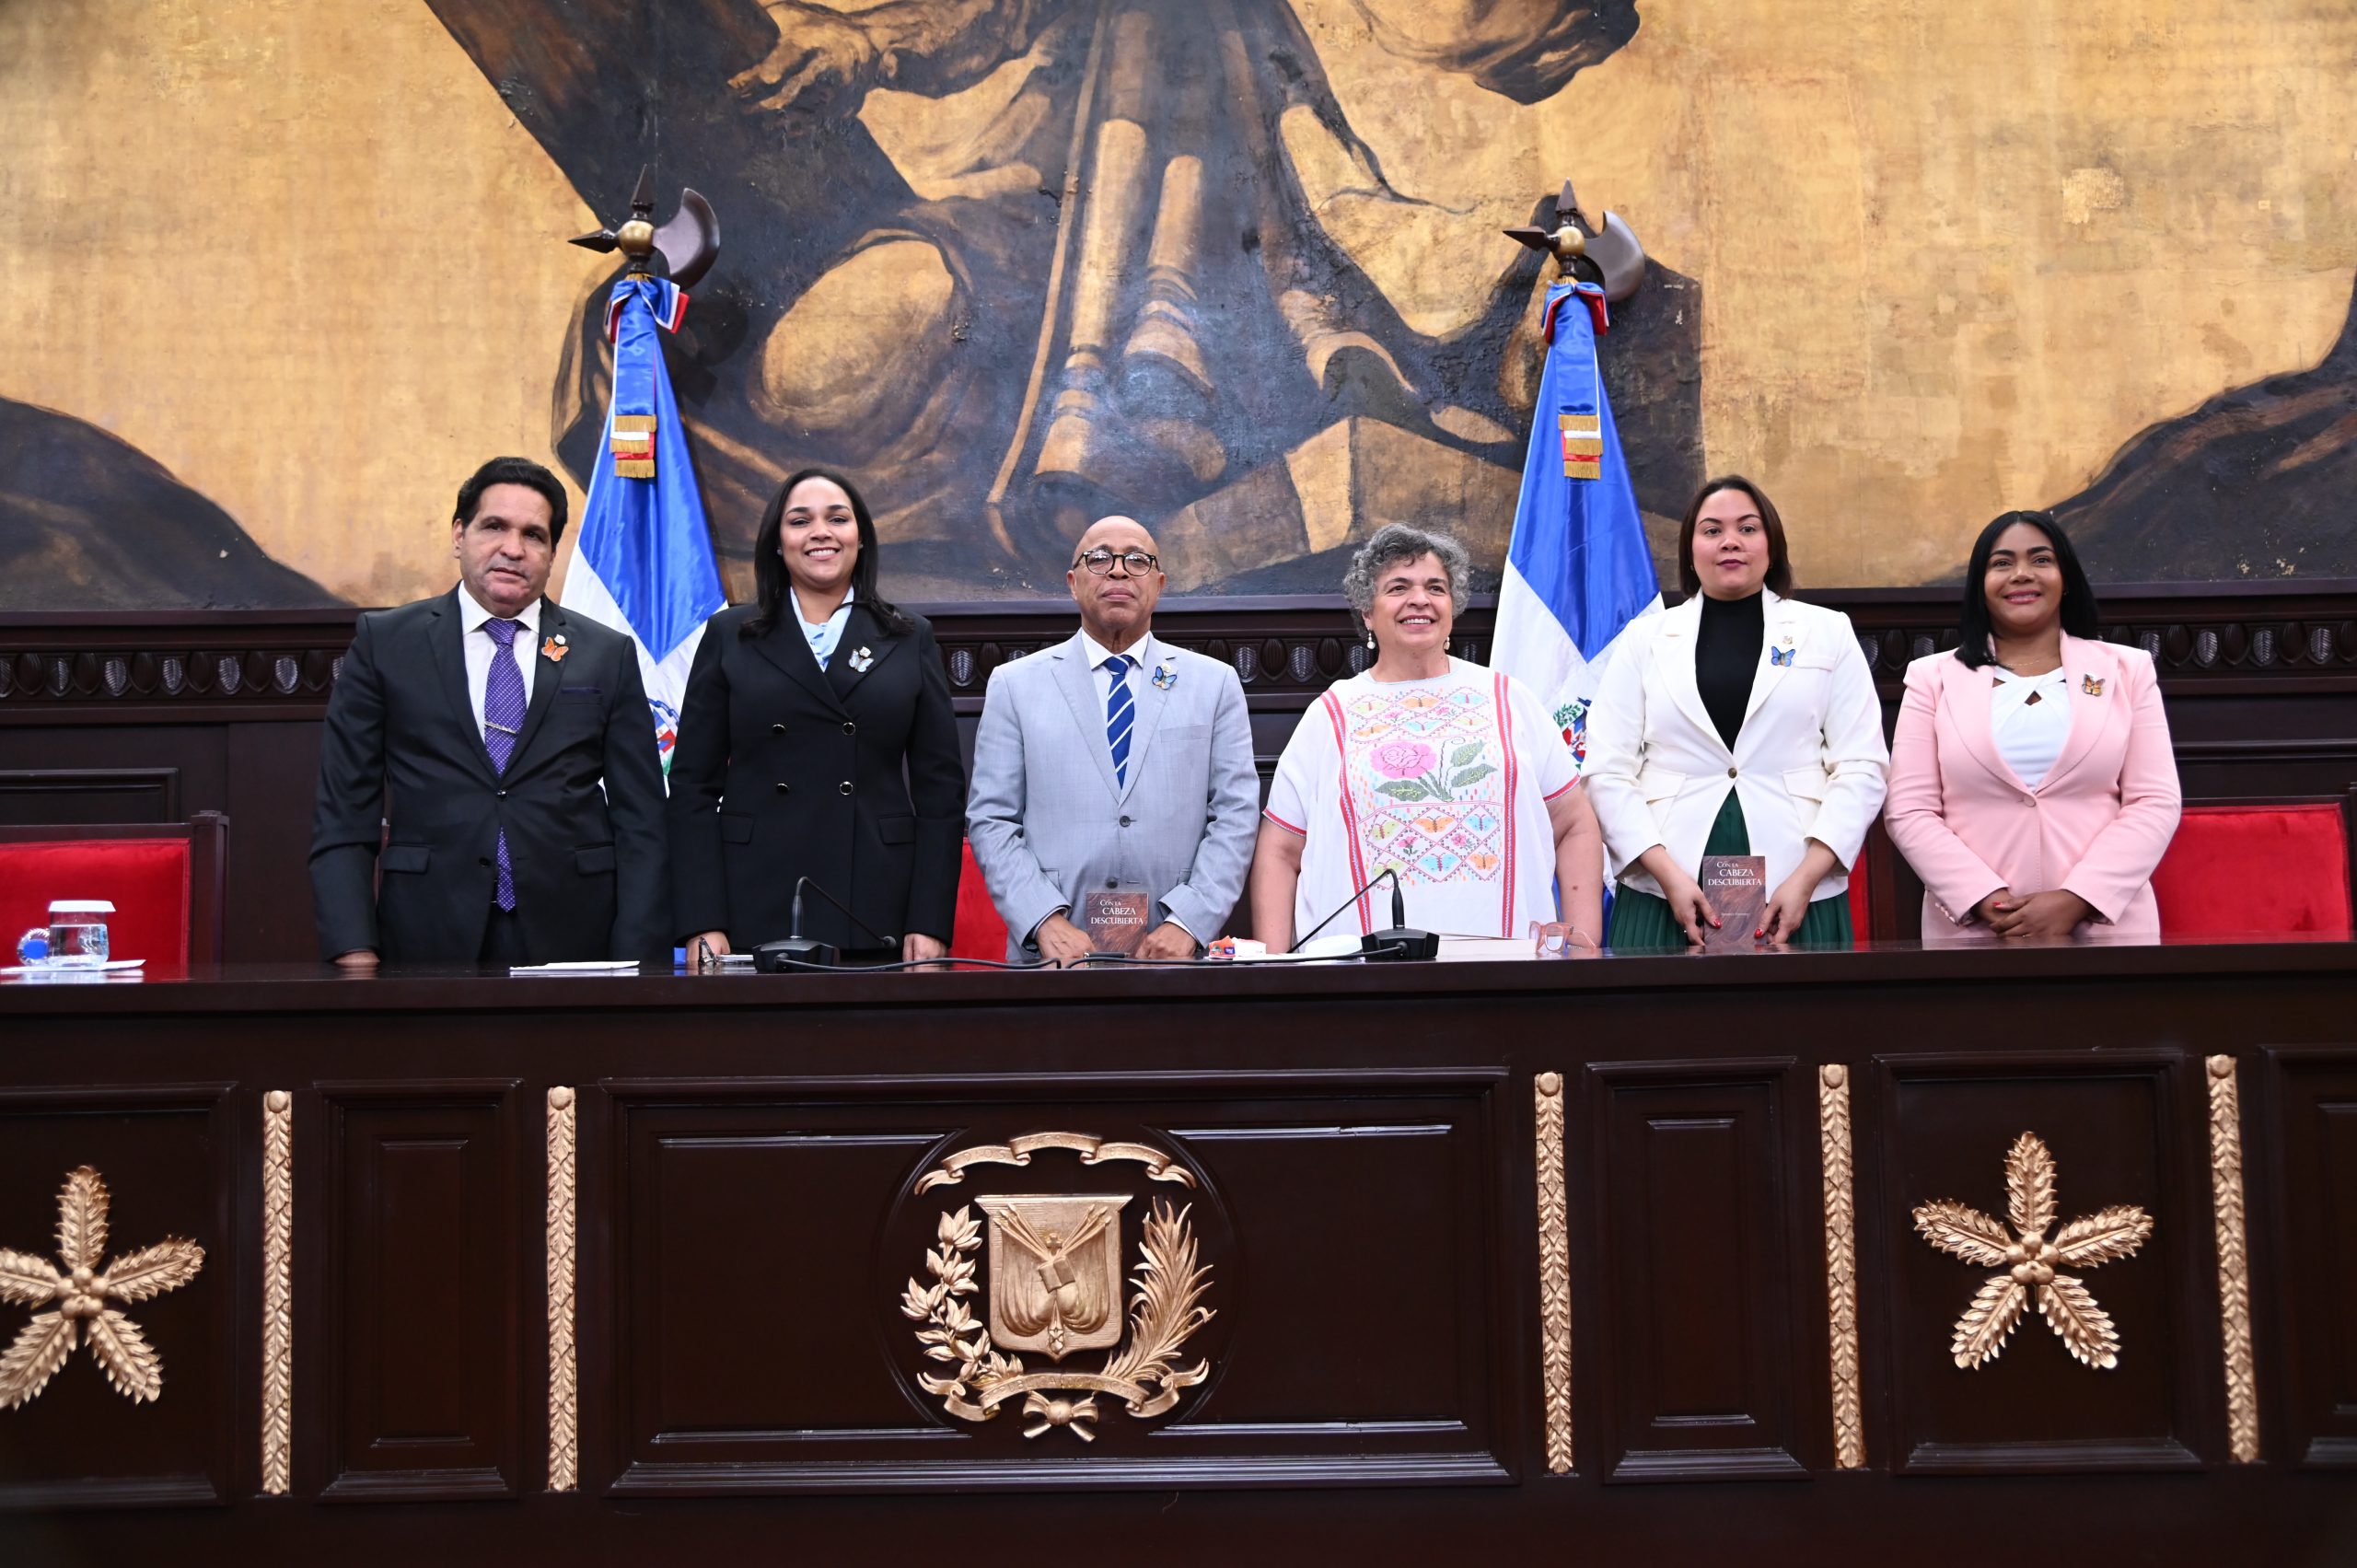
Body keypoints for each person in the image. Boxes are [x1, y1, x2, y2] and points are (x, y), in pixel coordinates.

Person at [311, 457, 669, 969]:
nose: (512, 549)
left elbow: (643, 821)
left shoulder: (604, 653)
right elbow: (344, 809)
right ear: (460, 535)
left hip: (575, 935)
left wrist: (636, 952)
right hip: (425, 932)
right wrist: (354, 946)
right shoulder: (386, 643)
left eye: (534, 535)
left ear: (551, 553)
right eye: (494, 527)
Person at [1251, 523, 1607, 947]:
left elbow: (1574, 823)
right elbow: (1280, 851)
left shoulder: (1509, 699)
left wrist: (1584, 948)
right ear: (1367, 612)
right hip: (1360, 985)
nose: (1419, 599)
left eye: (1435, 588)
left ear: (1452, 608)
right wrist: (1273, 970)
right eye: (1398, 587)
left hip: (1508, 978)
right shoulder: (1331, 714)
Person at [669, 469, 964, 963]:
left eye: (838, 518)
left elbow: (941, 792)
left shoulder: (909, 636)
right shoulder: (730, 633)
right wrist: (702, 919)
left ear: (861, 539)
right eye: (800, 520)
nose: (820, 532)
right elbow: (692, 789)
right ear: (778, 543)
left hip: (874, 900)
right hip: (753, 897)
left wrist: (929, 920)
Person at [1585, 476, 1887, 947]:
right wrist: (1665, 873)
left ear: (1772, 544)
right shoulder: (1644, 639)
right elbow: (1606, 771)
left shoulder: (1827, 632)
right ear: (1690, 549)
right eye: (1712, 530)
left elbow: (1862, 765)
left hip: (1795, 878)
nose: (1730, 541)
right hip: (1666, 880)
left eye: (1748, 528)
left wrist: (1807, 876)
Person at [966, 516, 1258, 963]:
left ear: (1158, 584)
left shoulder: (1213, 684)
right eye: (1099, 558)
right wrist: (1043, 919)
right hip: (1054, 955)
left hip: (1171, 953)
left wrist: (1189, 921)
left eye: (1136, 560)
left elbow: (1236, 815)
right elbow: (992, 819)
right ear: (1073, 582)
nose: (1118, 570)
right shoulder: (1015, 685)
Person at [1884, 510, 2180, 942]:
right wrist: (1987, 900)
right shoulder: (1931, 678)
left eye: (2041, 560)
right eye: (2002, 563)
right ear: (1979, 585)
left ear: (2066, 577)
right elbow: (1909, 809)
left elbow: (2155, 800)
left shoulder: (2127, 670)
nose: (2022, 574)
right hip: (1979, 932)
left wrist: (2078, 898)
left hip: (2103, 928)